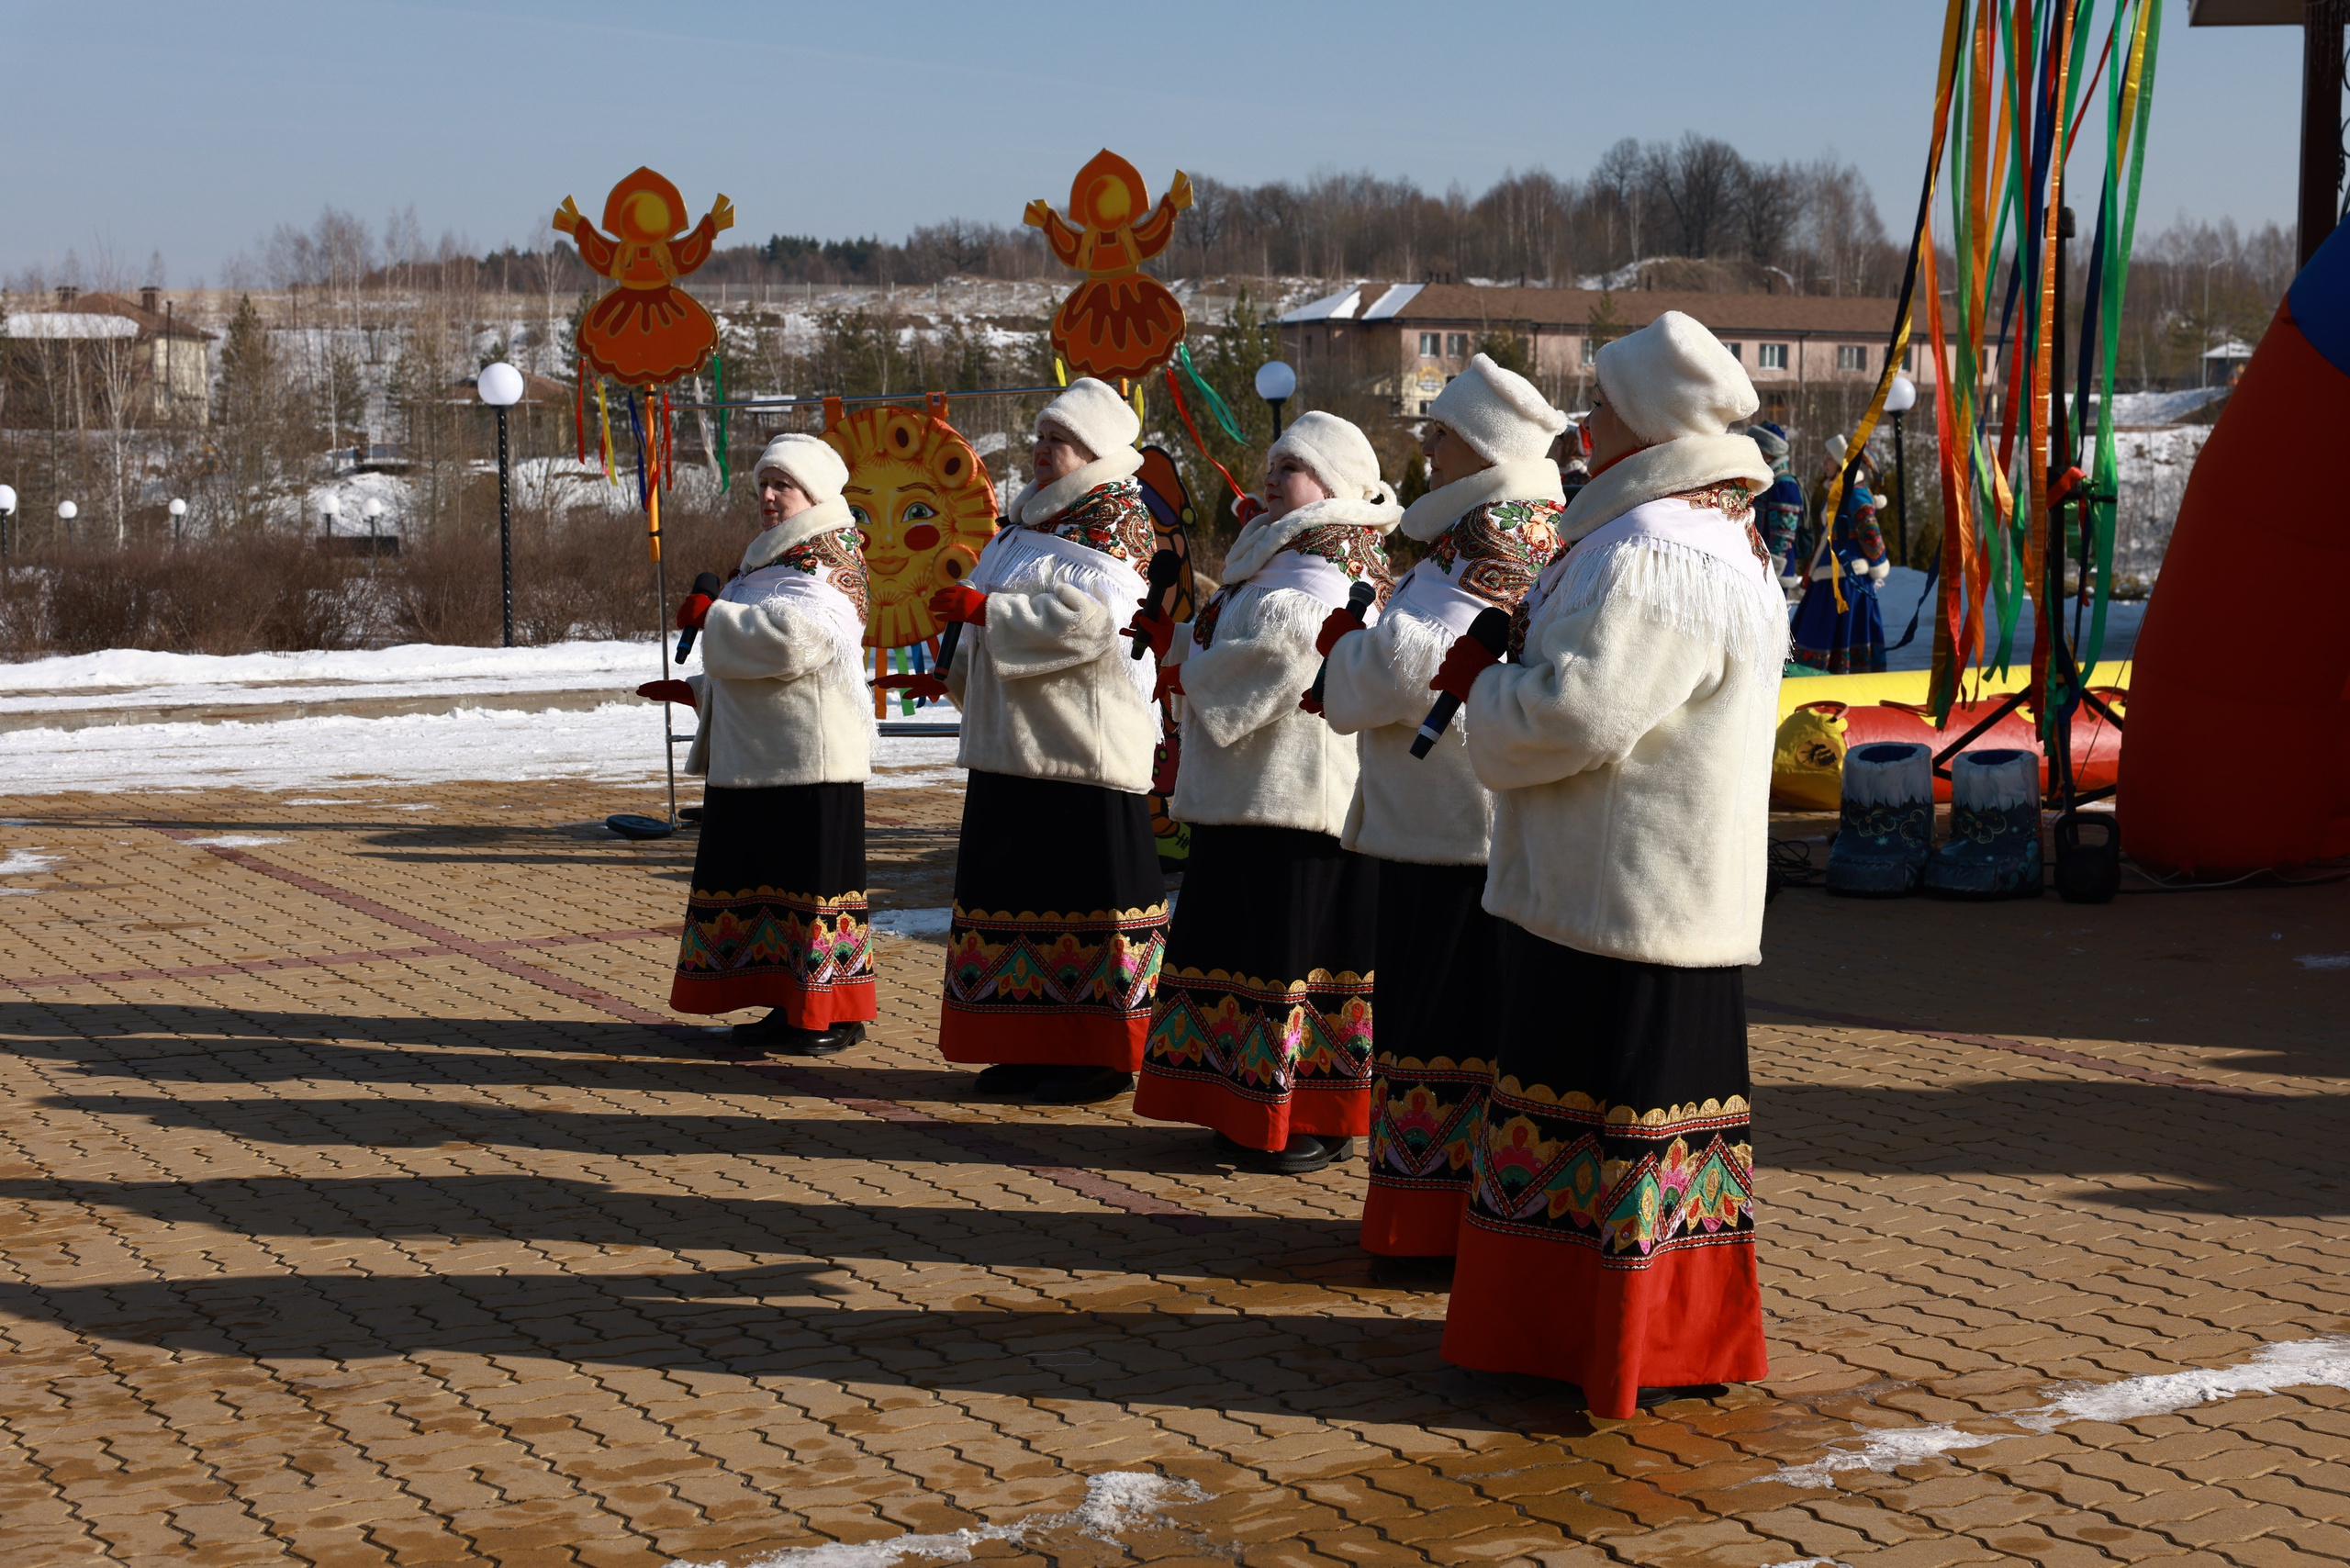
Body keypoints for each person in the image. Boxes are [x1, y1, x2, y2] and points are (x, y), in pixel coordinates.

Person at [1427, 308, 1780, 1418]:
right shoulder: (1704, 539)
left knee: (1607, 1115)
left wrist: (1483, 690)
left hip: (1619, 894)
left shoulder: (1654, 552)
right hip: (1641, 887)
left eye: (1603, 404)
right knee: (1619, 1119)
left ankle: (1609, 1339)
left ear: (1646, 423)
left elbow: (1583, 713)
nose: (1584, 423)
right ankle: (1625, 1330)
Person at [1315, 353, 1566, 1259]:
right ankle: (1445, 1220)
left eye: (1442, 434)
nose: (1426, 448)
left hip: (1455, 824)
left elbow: (1407, 665)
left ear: (1480, 448)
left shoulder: (1492, 535)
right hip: (1452, 815)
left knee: (1445, 1027)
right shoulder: (1496, 529)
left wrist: (1345, 655)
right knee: (1450, 1027)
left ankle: (1439, 1227)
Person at [1130, 411, 1398, 1174]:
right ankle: (1248, 1106)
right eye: (1273, 465)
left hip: (1298, 801)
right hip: (1250, 792)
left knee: (1295, 961)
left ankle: (1307, 1116)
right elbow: (1237, 642)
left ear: (1332, 483)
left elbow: (1278, 660)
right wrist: (1180, 645)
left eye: (1292, 468)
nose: (1272, 479)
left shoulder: (1327, 567)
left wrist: (1190, 670)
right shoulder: (1279, 553)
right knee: (1248, 959)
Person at [925, 378, 1169, 1105]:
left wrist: (988, 612)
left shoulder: (1115, 525)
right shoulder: (1023, 529)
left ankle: (1098, 1057)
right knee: (1017, 900)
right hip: (1014, 749)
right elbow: (987, 613)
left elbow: (1093, 626)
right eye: (1038, 436)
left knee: (1081, 908)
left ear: (1093, 451)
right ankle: (1026, 1042)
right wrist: (955, 660)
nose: (1040, 449)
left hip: (1081, 755)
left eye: (1057, 439)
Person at [654, 433, 875, 1055]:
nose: (769, 497)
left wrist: (713, 620)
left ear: (814, 492)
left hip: (811, 760)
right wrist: (700, 690)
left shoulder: (829, 560)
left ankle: (834, 1015)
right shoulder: (766, 562)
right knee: (771, 887)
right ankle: (789, 1003)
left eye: (783, 485)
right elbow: (759, 658)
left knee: (812, 888)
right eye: (763, 486)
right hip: (758, 755)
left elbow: (797, 644)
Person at [1788, 432, 1891, 672]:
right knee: (1815, 635)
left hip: (1848, 583)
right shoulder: (1840, 493)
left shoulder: (1855, 494)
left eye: (1829, 458)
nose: (1824, 462)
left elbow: (1871, 535)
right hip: (1830, 579)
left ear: (1841, 463)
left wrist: (1878, 565)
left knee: (1828, 636)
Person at [1746, 420, 1807, 602]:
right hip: (1757, 568)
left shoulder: (1784, 485)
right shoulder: (1763, 481)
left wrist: (1768, 572)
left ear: (1767, 453)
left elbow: (1782, 536)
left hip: (1771, 575)